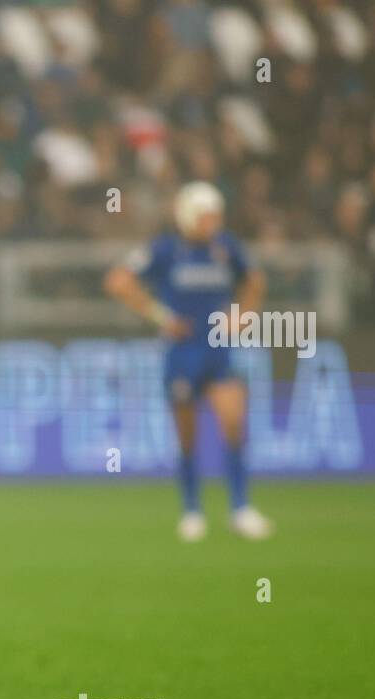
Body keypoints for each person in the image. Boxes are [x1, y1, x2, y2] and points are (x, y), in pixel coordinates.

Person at [105, 181, 274, 541]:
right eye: (205, 215)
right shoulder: (166, 250)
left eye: (215, 215)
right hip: (181, 354)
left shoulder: (226, 247)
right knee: (187, 435)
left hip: (217, 351)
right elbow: (119, 281)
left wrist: (243, 315)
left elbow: (255, 280)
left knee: (232, 423)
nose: (212, 222)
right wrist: (161, 317)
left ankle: (240, 508)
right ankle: (192, 510)